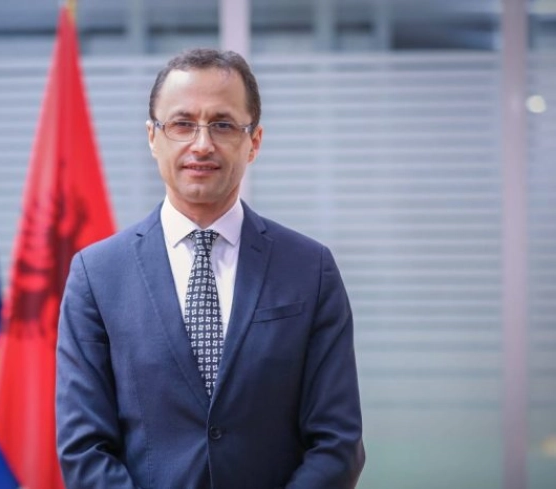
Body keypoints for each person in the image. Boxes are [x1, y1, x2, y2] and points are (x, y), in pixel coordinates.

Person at [56, 48, 365, 489]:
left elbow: (337, 443)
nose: (202, 144)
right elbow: (84, 448)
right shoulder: (97, 275)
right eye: (182, 124)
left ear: (254, 141)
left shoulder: (310, 270)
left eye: (222, 124)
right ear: (152, 137)